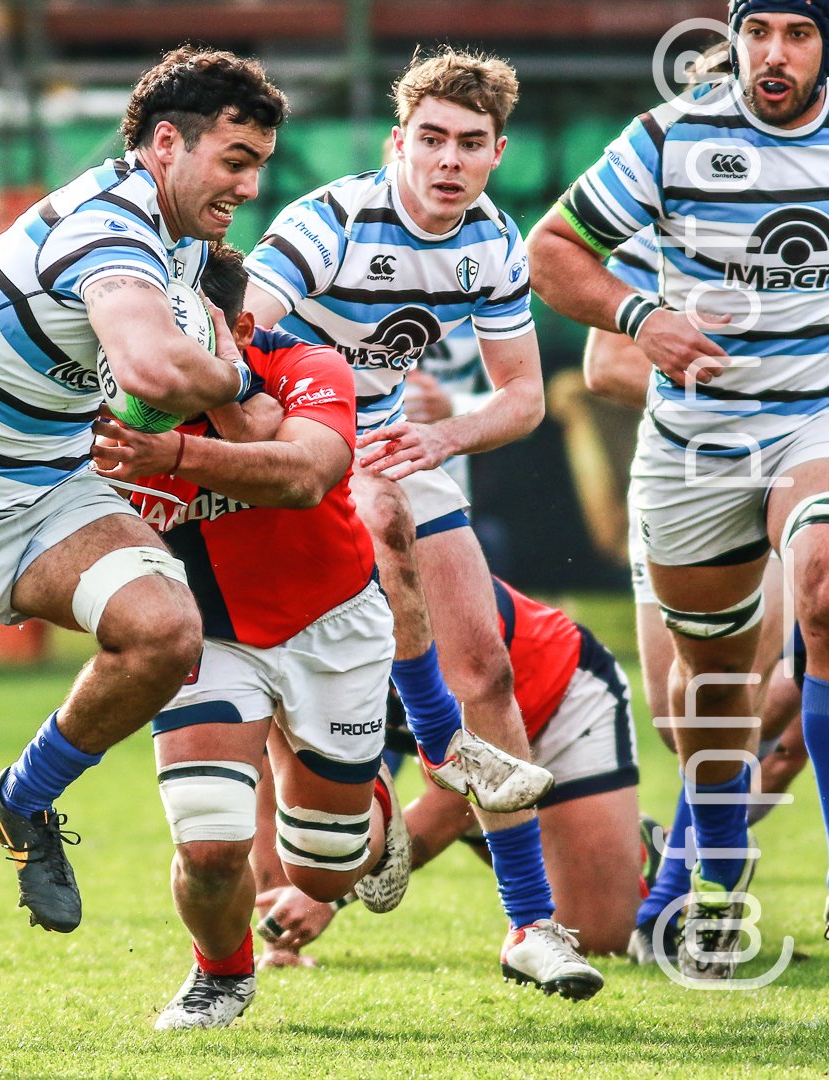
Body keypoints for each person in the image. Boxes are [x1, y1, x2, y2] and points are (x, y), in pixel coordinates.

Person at [0, 47, 288, 1046]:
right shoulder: (108, 229)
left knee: (166, 634)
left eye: (260, 165)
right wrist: (239, 386)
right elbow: (158, 369)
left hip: (45, 493)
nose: (251, 187)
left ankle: (23, 802)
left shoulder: (180, 238)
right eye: (236, 161)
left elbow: (191, 360)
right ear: (168, 144)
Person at [244, 46, 603, 998]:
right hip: (291, 447)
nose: (449, 159)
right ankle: (263, 921)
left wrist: (447, 441)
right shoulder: (328, 222)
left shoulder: (492, 241)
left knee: (484, 662)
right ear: (398, 142)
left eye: (471, 144)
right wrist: (306, 427)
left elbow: (521, 398)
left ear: (496, 154)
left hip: (400, 450)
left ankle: (530, 925)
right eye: (432, 139)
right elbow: (236, 330)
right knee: (278, 700)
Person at [527, 0, 829, 979]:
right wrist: (643, 319)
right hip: (694, 449)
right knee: (701, 700)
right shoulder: (669, 145)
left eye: (799, 33)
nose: (772, 55)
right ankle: (714, 863)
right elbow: (554, 257)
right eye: (757, 32)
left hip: (811, 428)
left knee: (821, 593)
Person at [89, 243, 411, 1029]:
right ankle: (220, 977)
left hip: (328, 621)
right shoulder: (107, 397)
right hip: (207, 635)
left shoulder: (308, 365)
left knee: (325, 870)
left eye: (181, 329)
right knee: (208, 840)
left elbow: (304, 477)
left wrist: (201, 421)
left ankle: (365, 797)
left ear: (234, 324)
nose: (156, 352)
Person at [252, 577, 641, 976]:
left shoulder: (426, 601)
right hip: (454, 752)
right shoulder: (285, 619)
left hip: (558, 705)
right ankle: (580, 839)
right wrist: (278, 934)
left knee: (599, 937)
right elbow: (274, 783)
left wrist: (328, 898)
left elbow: (459, 791)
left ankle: (631, 848)